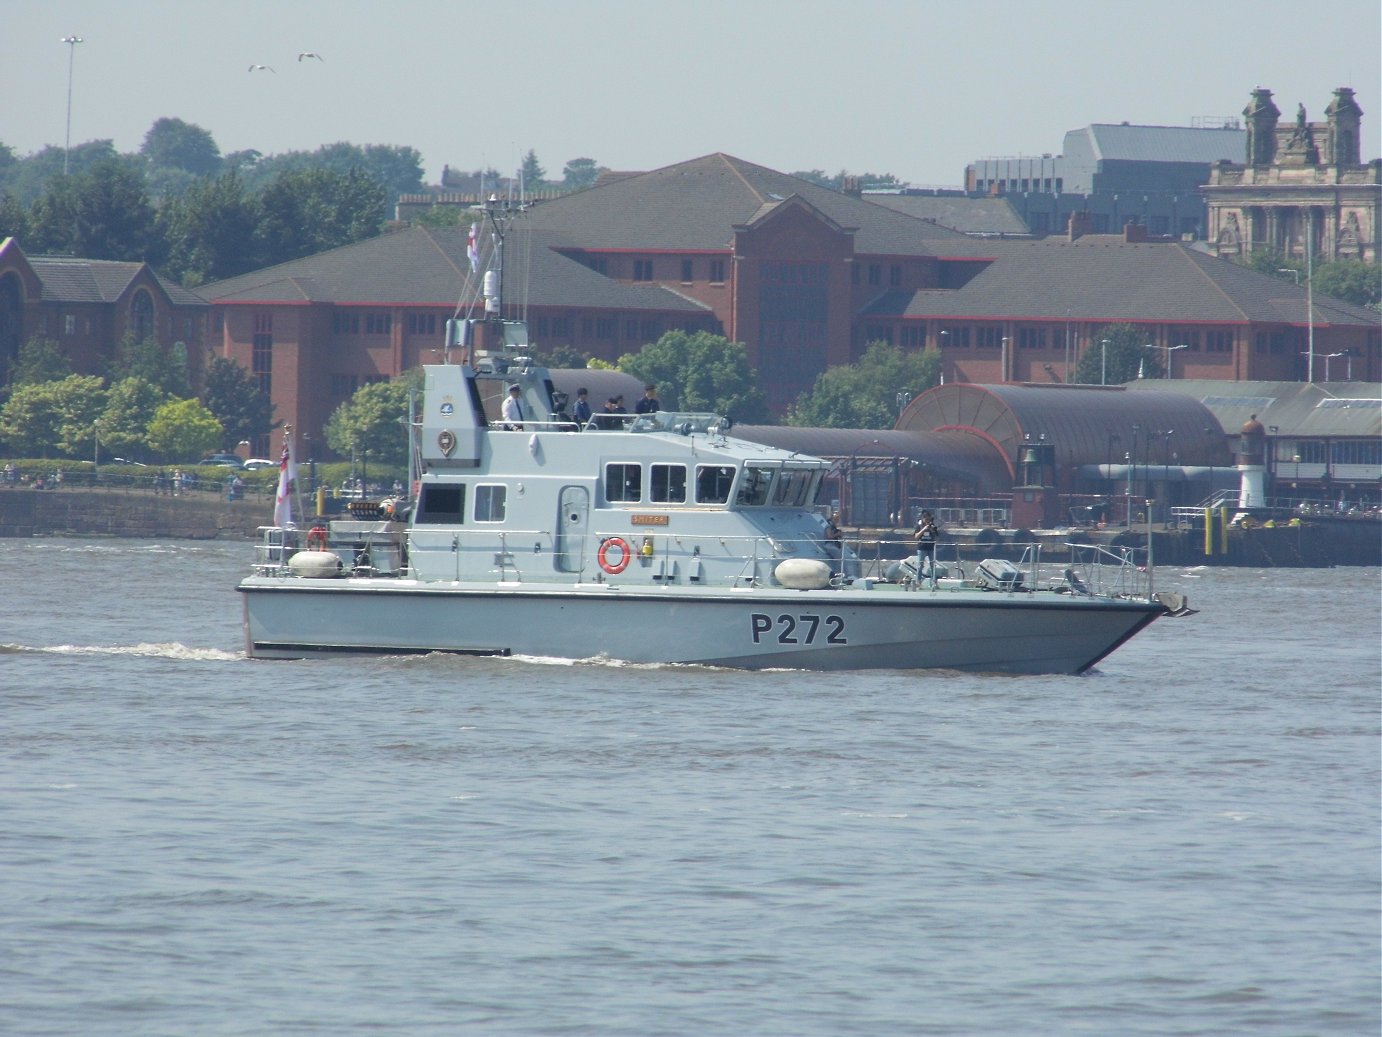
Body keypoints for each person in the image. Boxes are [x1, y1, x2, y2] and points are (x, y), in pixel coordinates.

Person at [914, 510, 940, 590]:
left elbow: (937, 538)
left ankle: (934, 582)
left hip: (931, 548)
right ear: (923, 518)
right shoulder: (919, 526)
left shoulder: (932, 526)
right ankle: (918, 582)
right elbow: (916, 537)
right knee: (920, 565)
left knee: (932, 565)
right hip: (922, 548)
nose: (928, 521)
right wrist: (923, 530)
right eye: (926, 519)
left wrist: (932, 531)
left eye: (929, 519)